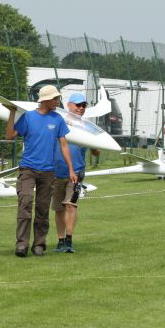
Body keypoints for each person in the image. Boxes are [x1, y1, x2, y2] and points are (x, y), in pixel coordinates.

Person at [6, 85, 76, 258]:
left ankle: (39, 245)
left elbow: (64, 144)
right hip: (28, 169)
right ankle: (22, 245)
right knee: (25, 204)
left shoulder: (57, 119)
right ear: (45, 100)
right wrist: (11, 113)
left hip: (48, 172)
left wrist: (71, 170)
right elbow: (9, 136)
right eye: (55, 98)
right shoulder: (28, 117)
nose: (57, 101)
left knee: (43, 210)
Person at [52, 92, 100, 253]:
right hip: (56, 172)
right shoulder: (58, 121)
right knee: (59, 208)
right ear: (68, 106)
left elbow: (96, 152)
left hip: (77, 172)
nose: (81, 108)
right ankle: (60, 240)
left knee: (70, 205)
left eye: (83, 106)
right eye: (77, 105)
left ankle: (69, 240)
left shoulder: (87, 126)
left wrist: (93, 143)